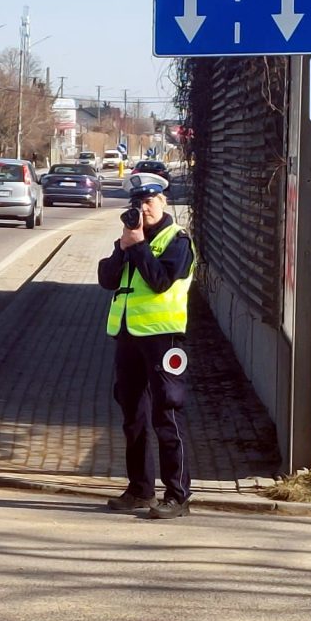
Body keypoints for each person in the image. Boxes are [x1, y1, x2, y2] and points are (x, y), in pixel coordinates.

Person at [97, 180, 196, 519]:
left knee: (166, 414)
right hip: (127, 336)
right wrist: (124, 248)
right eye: (139, 201)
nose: (145, 207)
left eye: (151, 200)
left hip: (163, 338)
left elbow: (160, 282)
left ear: (163, 201)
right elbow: (108, 280)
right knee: (132, 417)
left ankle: (178, 496)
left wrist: (137, 247)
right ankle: (140, 490)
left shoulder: (177, 241)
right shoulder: (131, 237)